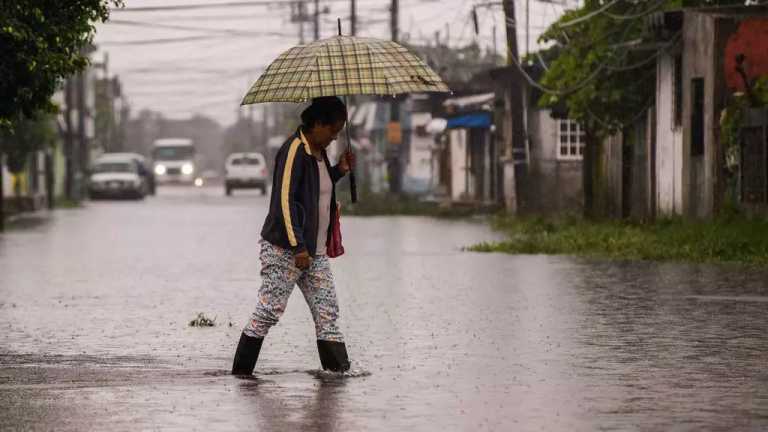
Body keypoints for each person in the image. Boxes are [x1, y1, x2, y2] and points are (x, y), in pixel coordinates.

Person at [231, 96, 355, 375]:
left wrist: (339, 172)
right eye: (332, 131)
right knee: (268, 312)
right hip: (285, 250)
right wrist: (298, 247)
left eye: (338, 132)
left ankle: (337, 379)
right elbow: (285, 202)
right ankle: (241, 377)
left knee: (328, 315)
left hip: (315, 252)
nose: (334, 138)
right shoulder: (294, 151)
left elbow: (316, 191)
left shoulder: (319, 154)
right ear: (318, 124)